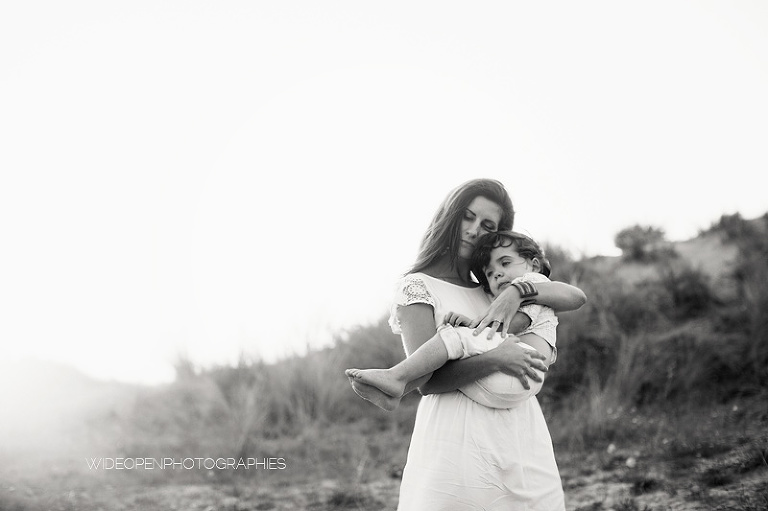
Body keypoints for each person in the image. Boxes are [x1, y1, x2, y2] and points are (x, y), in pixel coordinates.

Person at [347, 178, 586, 511]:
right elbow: (429, 382)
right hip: (457, 439)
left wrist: (516, 292)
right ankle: (393, 381)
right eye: (468, 217)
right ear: (451, 216)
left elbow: (571, 296)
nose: (474, 230)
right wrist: (495, 359)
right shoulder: (417, 287)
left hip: (518, 431)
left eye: (487, 225)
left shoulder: (494, 285)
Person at [346, 230, 558, 411]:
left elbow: (516, 324)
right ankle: (395, 391)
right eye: (491, 273)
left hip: (525, 369)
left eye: (505, 263)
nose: (498, 275)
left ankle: (397, 377)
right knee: (454, 349)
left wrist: (470, 326)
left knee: (456, 336)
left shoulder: (534, 282)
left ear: (534, 264)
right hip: (514, 381)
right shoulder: (515, 291)